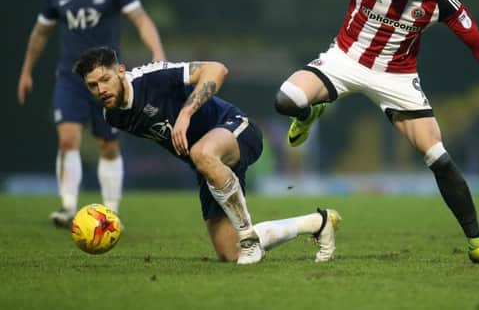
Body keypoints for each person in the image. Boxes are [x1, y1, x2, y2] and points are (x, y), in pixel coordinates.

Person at [219, 0, 479, 266]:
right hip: (345, 61)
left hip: (397, 77)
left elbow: (477, 42)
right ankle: (310, 112)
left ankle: (477, 244)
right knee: (286, 99)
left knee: (438, 157)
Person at [73, 46, 341, 264]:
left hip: (237, 130)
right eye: (92, 86)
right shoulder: (113, 115)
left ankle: (248, 238)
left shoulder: (150, 78)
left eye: (105, 79)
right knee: (229, 254)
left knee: (202, 152)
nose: (101, 90)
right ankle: (318, 222)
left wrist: (185, 114)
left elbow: (217, 69)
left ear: (120, 71)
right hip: (208, 167)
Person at [17, 0, 166, 227]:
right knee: (68, 139)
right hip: (70, 78)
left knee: (108, 144)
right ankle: (68, 207)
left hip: (108, 80)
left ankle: (110, 210)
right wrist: (26, 71)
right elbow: (40, 34)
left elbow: (140, 18)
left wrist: (158, 52)